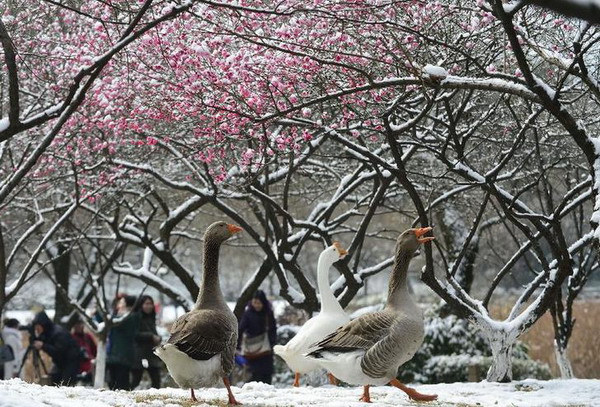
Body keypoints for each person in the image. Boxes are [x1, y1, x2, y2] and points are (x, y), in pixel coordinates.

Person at [30, 311, 81, 386]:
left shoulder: (58, 333)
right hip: (60, 363)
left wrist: (43, 345)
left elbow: (59, 352)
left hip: (69, 362)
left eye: (38, 327)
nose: (37, 330)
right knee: (54, 381)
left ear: (43, 325)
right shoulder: (48, 332)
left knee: (64, 385)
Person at [237, 290, 277, 384]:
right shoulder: (248, 313)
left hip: (266, 350)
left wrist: (272, 343)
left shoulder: (268, 313)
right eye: (254, 302)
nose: (256, 305)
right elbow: (240, 329)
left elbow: (273, 329)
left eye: (259, 303)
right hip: (252, 351)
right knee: (254, 375)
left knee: (266, 376)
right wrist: (237, 345)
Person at [106, 294, 140, 390]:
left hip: (123, 357)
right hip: (113, 355)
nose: (119, 304)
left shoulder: (130, 317)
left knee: (122, 384)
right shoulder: (120, 317)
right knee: (112, 383)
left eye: (121, 302)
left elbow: (114, 322)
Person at [131, 295, 162, 389]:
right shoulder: (136, 317)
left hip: (151, 353)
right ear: (141, 305)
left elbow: (154, 331)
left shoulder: (151, 317)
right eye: (146, 304)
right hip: (139, 353)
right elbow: (134, 334)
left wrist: (158, 338)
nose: (149, 306)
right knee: (136, 378)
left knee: (156, 378)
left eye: (151, 304)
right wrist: (151, 336)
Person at [71, 317, 97, 384]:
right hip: (77, 367)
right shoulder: (72, 338)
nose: (79, 326)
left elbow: (95, 350)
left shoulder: (87, 336)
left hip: (89, 367)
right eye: (77, 325)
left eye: (80, 324)